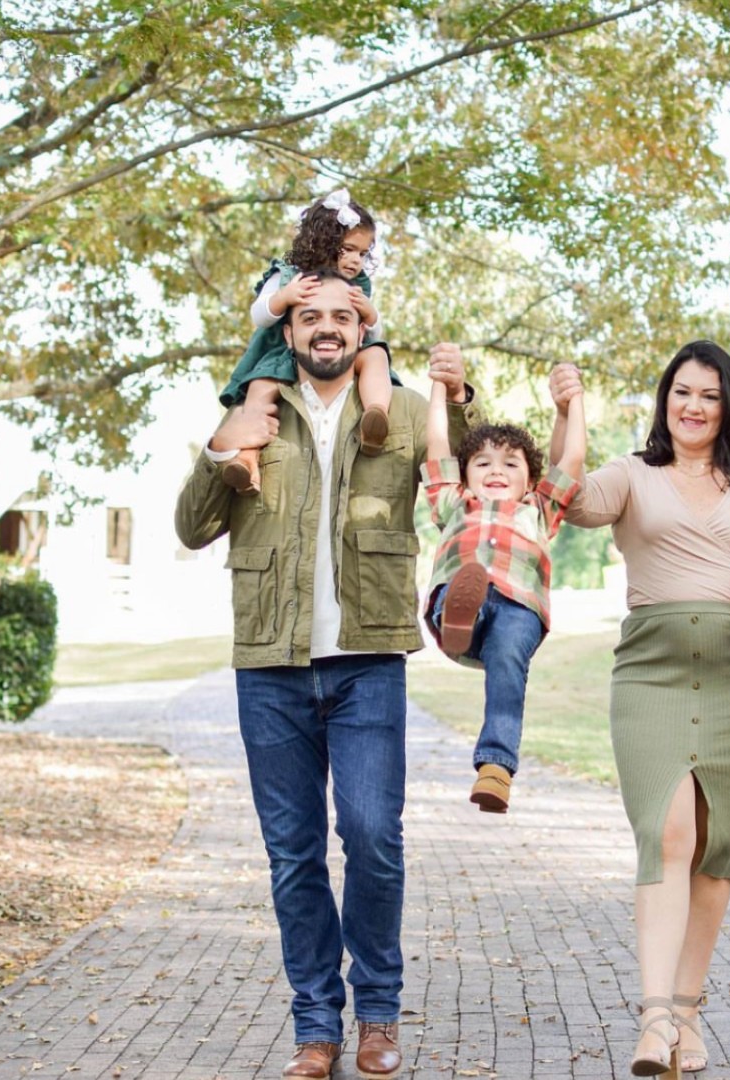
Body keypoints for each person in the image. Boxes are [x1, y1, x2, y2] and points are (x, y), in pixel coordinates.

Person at [175, 270, 484, 1080]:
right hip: (269, 668)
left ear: (363, 331)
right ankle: (317, 1026)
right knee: (294, 854)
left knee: (374, 838)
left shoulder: (406, 412)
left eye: (342, 317)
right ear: (288, 332)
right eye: (309, 315)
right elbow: (192, 526)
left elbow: (467, 489)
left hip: (368, 663)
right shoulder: (256, 413)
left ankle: (377, 1012)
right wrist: (222, 445)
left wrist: (464, 395)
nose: (326, 328)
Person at [551, 343, 730, 1077]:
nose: (693, 406)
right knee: (667, 832)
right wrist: (566, 415)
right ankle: (653, 1021)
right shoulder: (632, 474)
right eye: (682, 391)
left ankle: (687, 1011)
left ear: (728, 405)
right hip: (652, 672)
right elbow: (568, 499)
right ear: (664, 398)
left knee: (714, 849)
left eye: (709, 395)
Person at [420, 374, 586, 813]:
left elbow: (573, 457)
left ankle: (495, 769)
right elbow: (436, 442)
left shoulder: (540, 509)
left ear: (532, 480)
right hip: (462, 591)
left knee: (509, 663)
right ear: (465, 474)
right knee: (463, 587)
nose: (496, 470)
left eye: (511, 463)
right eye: (483, 462)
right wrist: (437, 385)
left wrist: (572, 405)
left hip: (519, 607)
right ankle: (458, 618)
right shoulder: (454, 502)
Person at [218, 189, 393, 494]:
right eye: (348, 249)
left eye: (362, 253)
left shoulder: (358, 284)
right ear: (325, 242)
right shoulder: (290, 275)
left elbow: (371, 333)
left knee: (377, 356)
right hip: (284, 353)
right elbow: (259, 314)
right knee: (259, 392)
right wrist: (284, 298)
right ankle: (246, 460)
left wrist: (371, 315)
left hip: (343, 355)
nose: (355, 260)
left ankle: (375, 415)